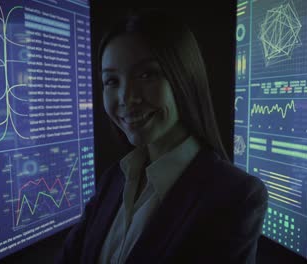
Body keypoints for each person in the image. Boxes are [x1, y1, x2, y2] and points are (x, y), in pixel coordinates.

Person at [57, 9, 268, 264]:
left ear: (184, 78)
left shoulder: (235, 197)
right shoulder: (113, 179)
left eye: (147, 75)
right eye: (112, 81)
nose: (126, 98)